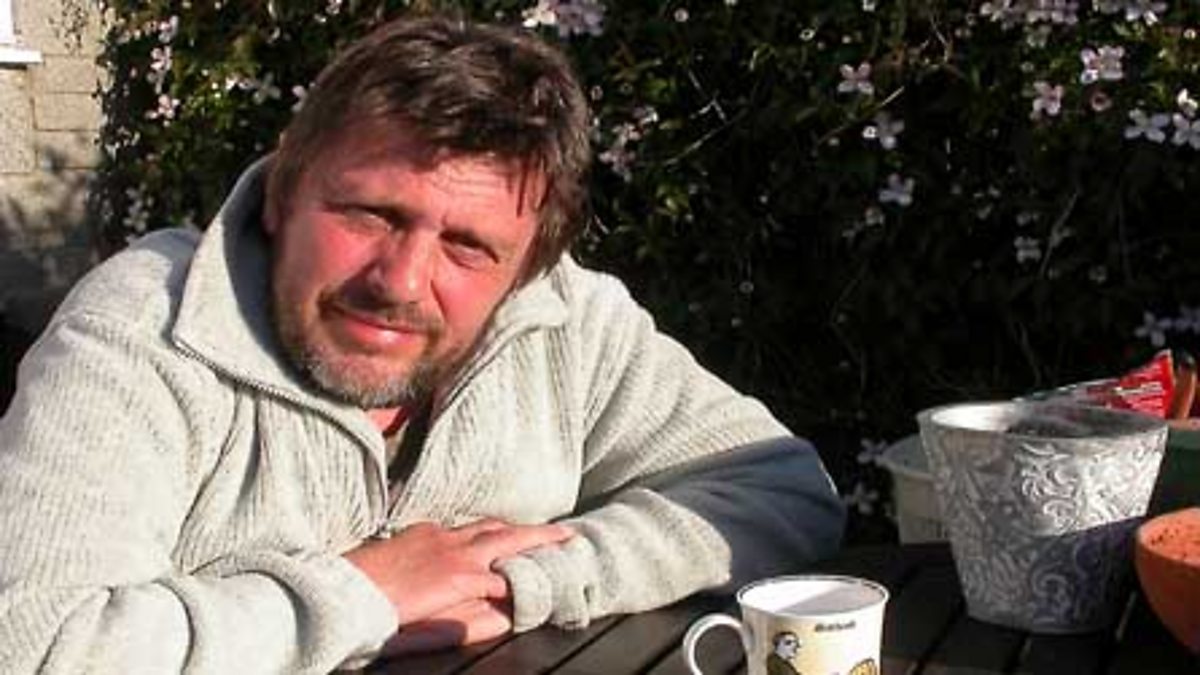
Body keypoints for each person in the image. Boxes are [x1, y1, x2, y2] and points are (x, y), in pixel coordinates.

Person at [0, 13, 844, 674]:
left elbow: (779, 489)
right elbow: (33, 643)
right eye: (371, 213)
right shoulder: (147, 325)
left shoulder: (570, 322)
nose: (401, 281)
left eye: (468, 247)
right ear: (282, 193)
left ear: (527, 268)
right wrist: (364, 590)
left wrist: (523, 578)